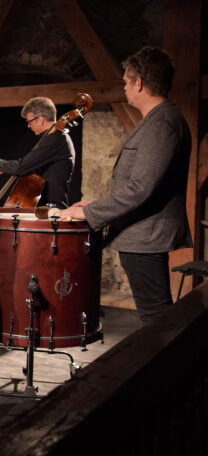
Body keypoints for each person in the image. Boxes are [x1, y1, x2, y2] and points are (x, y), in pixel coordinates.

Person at [61, 46, 192, 324]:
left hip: (145, 238)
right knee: (155, 318)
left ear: (139, 83)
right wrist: (95, 205)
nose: (124, 87)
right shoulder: (160, 119)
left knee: (156, 320)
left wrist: (90, 212)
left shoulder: (161, 123)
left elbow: (141, 187)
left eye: (125, 82)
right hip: (143, 235)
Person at [0, 96, 75, 207]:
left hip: (51, 210)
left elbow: (22, 167)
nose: (28, 126)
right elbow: (29, 167)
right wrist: (3, 168)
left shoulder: (57, 138)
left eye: (29, 121)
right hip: (44, 208)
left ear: (40, 119)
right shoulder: (55, 138)